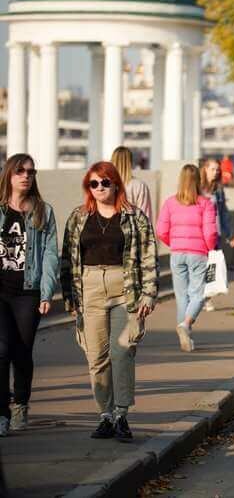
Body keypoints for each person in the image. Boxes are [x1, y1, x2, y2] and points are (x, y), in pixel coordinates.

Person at [61, 161, 158, 441]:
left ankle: (121, 415)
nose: (100, 188)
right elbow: (67, 258)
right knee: (96, 356)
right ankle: (105, 415)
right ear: (88, 188)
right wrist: (70, 297)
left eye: (105, 182)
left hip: (124, 288)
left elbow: (149, 254)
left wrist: (149, 293)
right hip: (89, 288)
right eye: (94, 183)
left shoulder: (134, 216)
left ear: (116, 184)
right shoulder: (78, 217)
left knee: (122, 352)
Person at [0, 155, 58, 436]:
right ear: (9, 175)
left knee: (21, 351)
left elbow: (50, 255)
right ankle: (2, 412)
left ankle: (21, 404)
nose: (26, 176)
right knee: (1, 351)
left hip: (28, 291)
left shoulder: (43, 211)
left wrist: (46, 293)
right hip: (1, 292)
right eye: (20, 171)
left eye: (31, 172)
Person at [156, 165, 218, 352]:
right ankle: (185, 325)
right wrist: (210, 249)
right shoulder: (205, 203)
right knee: (198, 294)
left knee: (182, 296)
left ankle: (185, 336)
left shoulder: (170, 203)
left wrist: (174, 243)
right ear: (198, 180)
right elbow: (210, 233)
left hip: (177, 253)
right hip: (198, 253)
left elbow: (161, 231)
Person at [200, 159, 234, 312]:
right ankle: (197, 297)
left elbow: (224, 214)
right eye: (213, 169)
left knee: (211, 267)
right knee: (199, 267)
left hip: (214, 234)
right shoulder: (197, 188)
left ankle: (207, 298)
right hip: (199, 234)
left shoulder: (218, 190)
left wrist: (230, 235)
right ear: (205, 169)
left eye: (217, 170)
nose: (216, 172)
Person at [110, 147, 152, 222]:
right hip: (132, 227)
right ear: (130, 162)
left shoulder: (104, 184)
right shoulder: (140, 185)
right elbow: (145, 215)